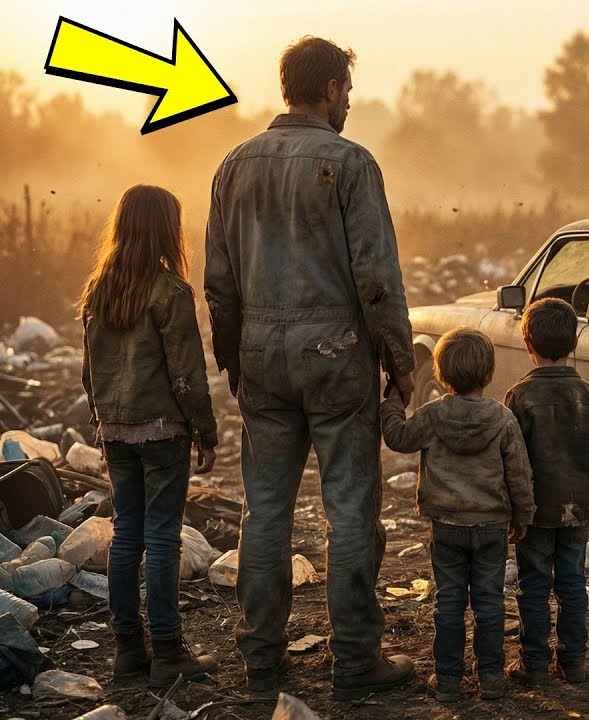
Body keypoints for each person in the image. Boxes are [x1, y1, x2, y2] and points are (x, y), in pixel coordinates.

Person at [203, 36, 415, 698]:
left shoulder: (233, 165)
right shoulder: (351, 163)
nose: (348, 103)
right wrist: (400, 359)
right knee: (349, 510)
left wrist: (233, 356)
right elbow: (375, 276)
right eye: (347, 91)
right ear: (329, 89)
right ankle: (354, 662)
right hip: (337, 356)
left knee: (265, 511)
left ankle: (261, 662)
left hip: (261, 355)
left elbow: (219, 281)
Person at [78, 185, 219, 687]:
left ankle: (128, 653)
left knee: (126, 536)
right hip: (161, 432)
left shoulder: (99, 289)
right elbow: (186, 374)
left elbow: (88, 373)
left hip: (115, 430)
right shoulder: (170, 291)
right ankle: (169, 651)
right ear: (166, 229)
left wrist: (102, 423)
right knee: (161, 539)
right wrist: (205, 431)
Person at [380, 328, 535, 702]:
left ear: (441, 373)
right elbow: (519, 474)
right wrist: (523, 516)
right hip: (491, 526)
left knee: (448, 603)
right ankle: (491, 678)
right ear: (488, 373)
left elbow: (398, 437)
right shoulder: (502, 419)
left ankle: (448, 680)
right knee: (489, 603)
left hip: (447, 526)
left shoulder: (433, 415)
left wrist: (392, 402)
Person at [504, 298, 589, 685]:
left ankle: (533, 664)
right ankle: (574, 662)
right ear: (575, 342)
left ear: (527, 343)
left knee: (533, 585)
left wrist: (514, 512)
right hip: (577, 508)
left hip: (535, 512)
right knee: (572, 583)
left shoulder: (519, 397)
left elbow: (513, 463)